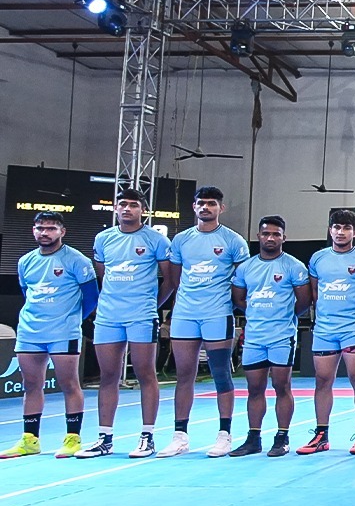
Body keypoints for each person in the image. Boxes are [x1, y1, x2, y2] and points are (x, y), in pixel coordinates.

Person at [1, 212, 97, 459]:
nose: (45, 232)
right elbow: (27, 293)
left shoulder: (77, 260)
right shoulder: (25, 261)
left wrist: (71, 319)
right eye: (40, 228)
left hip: (63, 332)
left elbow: (91, 297)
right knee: (31, 385)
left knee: (69, 383)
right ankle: (30, 440)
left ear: (62, 231)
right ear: (34, 231)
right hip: (30, 331)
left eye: (51, 228)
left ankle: (73, 438)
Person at [163, 186, 250, 458]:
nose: (205, 207)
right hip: (185, 315)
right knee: (184, 376)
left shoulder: (234, 241)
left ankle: (224, 435)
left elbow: (243, 280)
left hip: (217, 314)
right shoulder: (181, 240)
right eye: (201, 203)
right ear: (194, 207)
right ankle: (180, 436)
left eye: (211, 203)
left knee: (221, 374)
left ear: (221, 208)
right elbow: (175, 280)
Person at [85, 188, 170, 458]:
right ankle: (105, 438)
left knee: (145, 374)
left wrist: (150, 305)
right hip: (109, 316)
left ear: (143, 210)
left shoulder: (156, 239)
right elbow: (103, 275)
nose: (127, 209)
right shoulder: (103, 239)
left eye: (133, 205)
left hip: (142, 315)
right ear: (115, 208)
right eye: (122, 204)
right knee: (108, 376)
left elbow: (170, 280)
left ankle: (147, 437)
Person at [229, 216, 311, 457]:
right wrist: (257, 314)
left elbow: (304, 301)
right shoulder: (246, 268)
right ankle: (253, 438)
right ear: (258, 236)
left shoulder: (294, 266)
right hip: (254, 337)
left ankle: (282, 437)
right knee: (254, 388)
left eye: (276, 234)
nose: (271, 238)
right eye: (266, 234)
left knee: (281, 386)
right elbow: (238, 299)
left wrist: (283, 316)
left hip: (282, 336)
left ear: (284, 238)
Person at [304, 208, 355, 454]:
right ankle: (321, 435)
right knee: (322, 380)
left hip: (353, 328)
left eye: (346, 228)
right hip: (325, 330)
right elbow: (314, 293)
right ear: (330, 230)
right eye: (336, 227)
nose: (341, 232)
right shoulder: (318, 258)